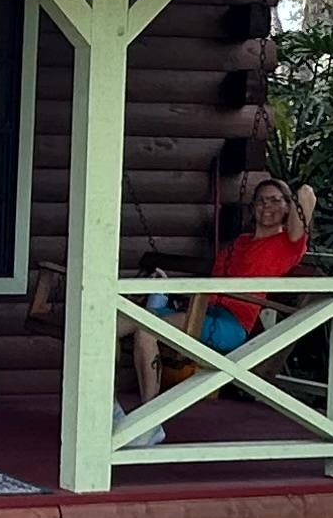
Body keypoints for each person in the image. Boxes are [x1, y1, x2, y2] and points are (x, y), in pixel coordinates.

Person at [123, 173, 319, 405]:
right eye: (261, 200)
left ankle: (150, 418)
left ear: (288, 207)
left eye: (275, 200)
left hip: (231, 325)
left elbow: (306, 194)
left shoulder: (287, 245)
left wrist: (291, 192)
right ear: (253, 207)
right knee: (117, 322)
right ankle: (108, 405)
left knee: (146, 330)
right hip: (204, 312)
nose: (267, 206)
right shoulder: (240, 242)